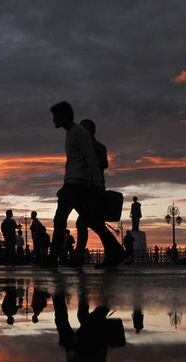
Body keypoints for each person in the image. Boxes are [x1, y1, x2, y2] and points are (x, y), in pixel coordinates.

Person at [45, 101, 127, 268]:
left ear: (64, 115)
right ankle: (117, 253)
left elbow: (91, 159)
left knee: (61, 219)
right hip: (75, 184)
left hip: (78, 185)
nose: (53, 119)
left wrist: (97, 183)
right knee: (92, 221)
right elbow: (73, 163)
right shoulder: (71, 133)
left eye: (55, 115)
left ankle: (52, 258)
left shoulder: (78, 133)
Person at [73, 118, 108, 267]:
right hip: (84, 189)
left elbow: (104, 164)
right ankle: (80, 257)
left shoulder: (98, 147)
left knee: (87, 223)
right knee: (89, 223)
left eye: (87, 128)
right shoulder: (80, 148)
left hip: (94, 190)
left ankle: (79, 257)